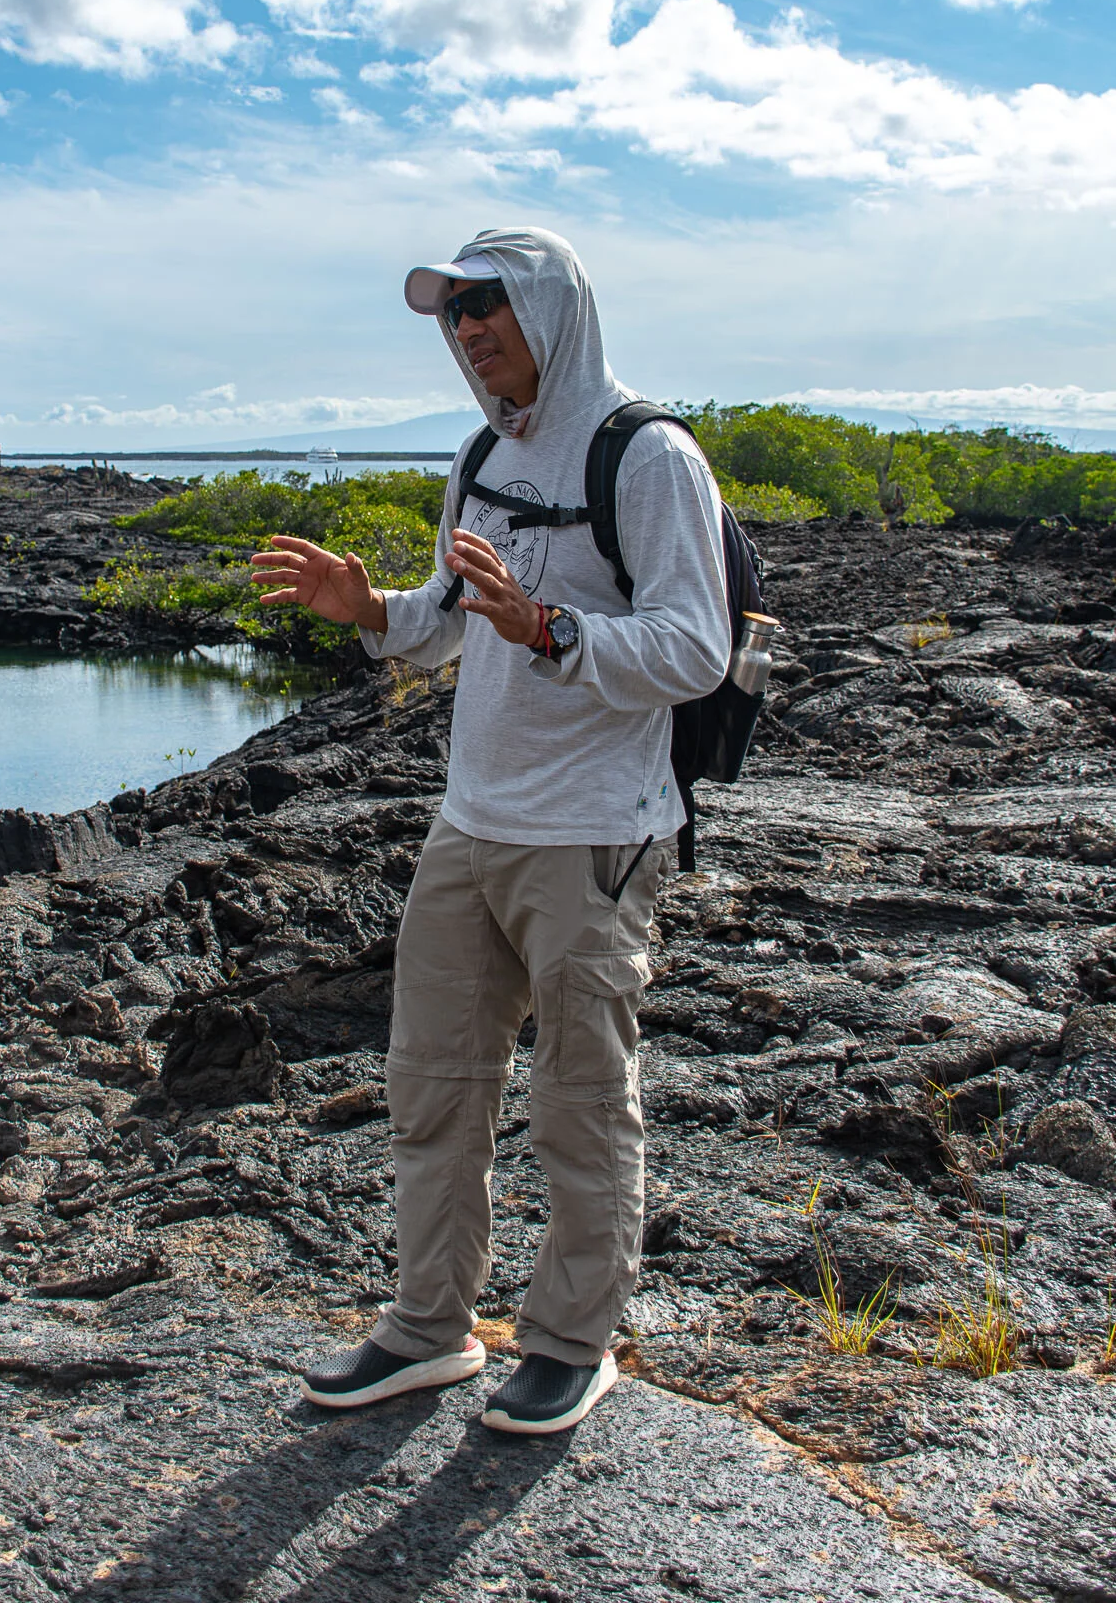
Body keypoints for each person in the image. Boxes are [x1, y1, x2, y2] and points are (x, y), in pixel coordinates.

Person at [250, 227, 730, 1435]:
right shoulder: (480, 454)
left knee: (580, 1099)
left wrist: (556, 631)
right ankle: (429, 1328)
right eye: (451, 314)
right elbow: (455, 618)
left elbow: (695, 647)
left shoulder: (648, 455)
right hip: (472, 826)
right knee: (433, 1088)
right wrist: (372, 612)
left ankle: (571, 1341)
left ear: (549, 311)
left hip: (593, 835)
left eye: (484, 307)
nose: (465, 331)